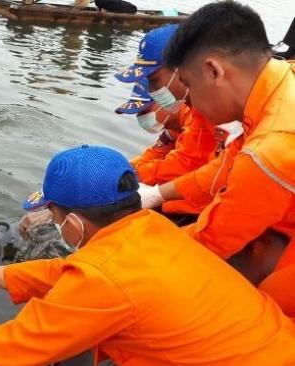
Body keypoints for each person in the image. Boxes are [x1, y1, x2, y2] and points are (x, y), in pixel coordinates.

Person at [0, 145, 295, 366]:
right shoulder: (155, 228)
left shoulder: (104, 279)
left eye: (54, 213)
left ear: (73, 220)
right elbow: (63, 271)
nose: (56, 223)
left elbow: (6, 349)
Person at [139, 2, 295, 317]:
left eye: (191, 86)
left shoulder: (271, 149)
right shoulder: (279, 83)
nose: (190, 102)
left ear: (214, 71)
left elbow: (213, 239)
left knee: (267, 308)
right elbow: (222, 170)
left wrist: (130, 257)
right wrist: (156, 194)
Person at [19, 25, 218, 237]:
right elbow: (156, 154)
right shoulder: (177, 125)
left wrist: (117, 180)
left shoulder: (203, 113)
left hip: (198, 211)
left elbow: (185, 162)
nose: (140, 116)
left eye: (144, 109)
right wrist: (115, 173)